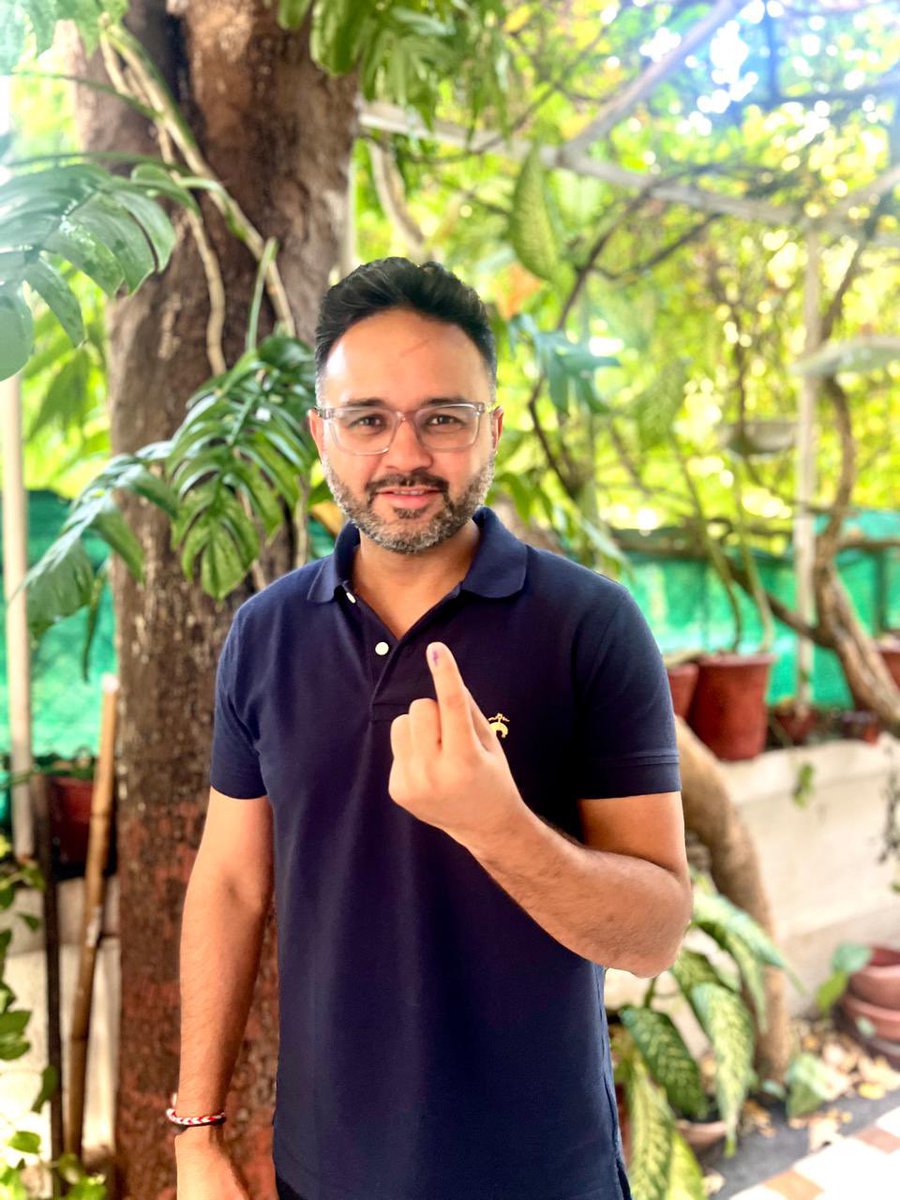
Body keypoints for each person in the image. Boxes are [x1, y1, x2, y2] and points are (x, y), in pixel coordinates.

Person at [173, 258, 692, 1200]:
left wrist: (499, 828)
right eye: (367, 419)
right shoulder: (265, 634)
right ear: (321, 436)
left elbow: (653, 934)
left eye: (443, 418)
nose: (405, 453)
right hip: (322, 1173)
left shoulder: (589, 626)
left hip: (541, 1175)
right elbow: (233, 882)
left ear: (489, 430)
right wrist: (195, 1133)